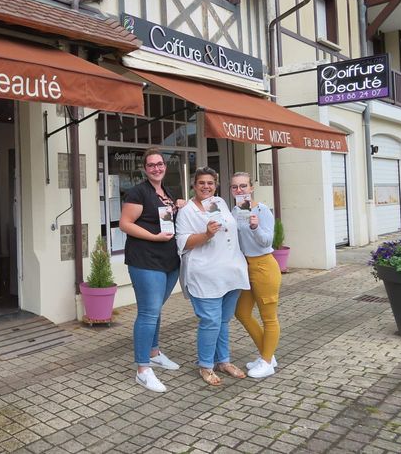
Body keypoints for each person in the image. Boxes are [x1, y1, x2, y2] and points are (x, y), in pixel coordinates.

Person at [175, 167, 250, 386]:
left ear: (215, 185)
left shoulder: (220, 203)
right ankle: (205, 365)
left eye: (210, 182)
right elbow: (182, 243)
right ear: (194, 185)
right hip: (205, 274)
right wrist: (207, 234)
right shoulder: (187, 211)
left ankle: (223, 361)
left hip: (230, 272)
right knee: (210, 321)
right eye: (201, 183)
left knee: (224, 321)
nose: (206, 186)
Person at [119, 148, 184, 393]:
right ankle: (143, 369)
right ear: (145, 169)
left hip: (169, 261)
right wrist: (154, 237)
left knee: (156, 310)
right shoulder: (138, 192)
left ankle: (154, 352)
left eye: (160, 164)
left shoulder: (167, 192)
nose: (156, 168)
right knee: (148, 312)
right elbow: (125, 224)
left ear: (165, 166)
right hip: (145, 260)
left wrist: (180, 206)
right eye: (151, 165)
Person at [230, 172, 281, 379]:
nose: (239, 190)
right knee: (241, 313)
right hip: (245, 266)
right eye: (235, 187)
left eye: (243, 186)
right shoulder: (234, 210)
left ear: (251, 188)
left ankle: (267, 361)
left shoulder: (262, 210)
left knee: (269, 317)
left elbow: (267, 242)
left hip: (263, 266)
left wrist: (255, 226)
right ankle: (267, 353)